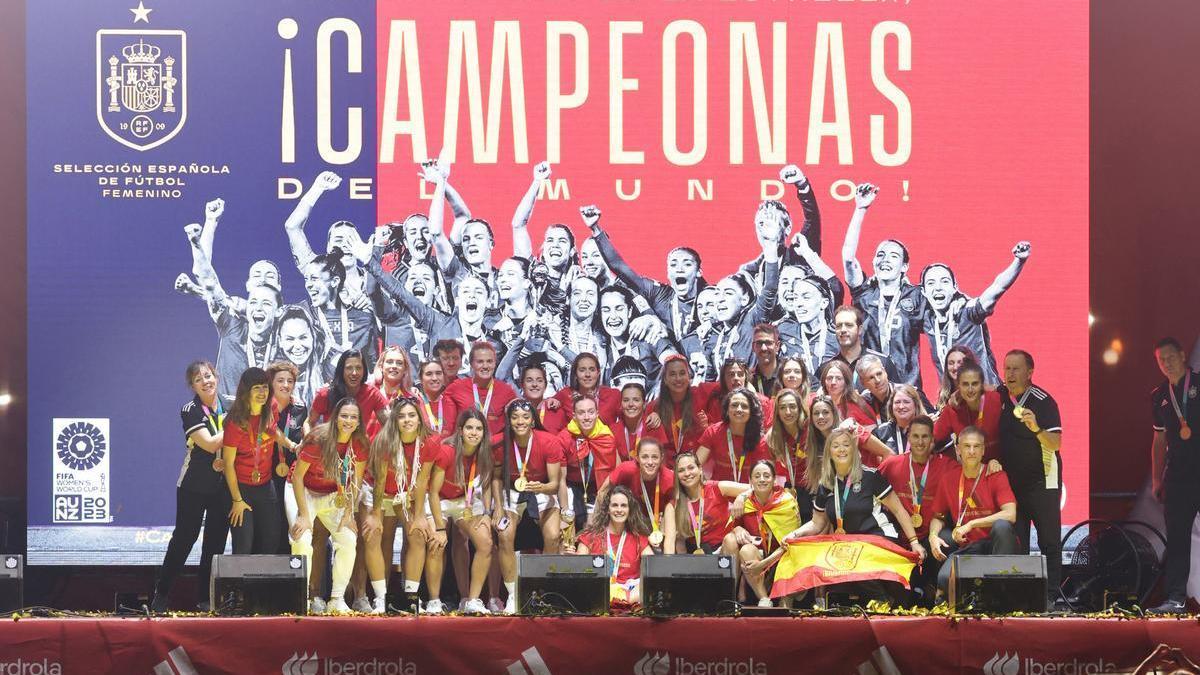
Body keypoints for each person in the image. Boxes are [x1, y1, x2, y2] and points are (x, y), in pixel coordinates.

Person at [792, 429, 925, 603]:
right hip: (852, 546)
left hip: (880, 539)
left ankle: (884, 606)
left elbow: (899, 510)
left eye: (846, 445)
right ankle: (882, 605)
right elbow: (817, 523)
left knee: (858, 565)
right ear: (829, 453)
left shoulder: (870, 476)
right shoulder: (826, 485)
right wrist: (794, 535)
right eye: (836, 446)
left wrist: (914, 542)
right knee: (838, 565)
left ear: (854, 450)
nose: (841, 449)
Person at [151, 361, 233, 613]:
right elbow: (209, 445)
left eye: (208, 376)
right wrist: (236, 422)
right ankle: (162, 594)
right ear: (193, 386)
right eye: (199, 380)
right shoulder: (190, 410)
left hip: (224, 485)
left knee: (215, 544)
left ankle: (205, 599)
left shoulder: (231, 404)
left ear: (216, 377)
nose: (206, 382)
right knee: (184, 539)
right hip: (193, 485)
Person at [362, 397, 443, 614]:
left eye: (411, 415)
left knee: (418, 534)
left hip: (407, 494)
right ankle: (381, 598)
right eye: (401, 416)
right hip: (380, 492)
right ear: (394, 420)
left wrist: (419, 516)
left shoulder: (431, 441)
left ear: (419, 418)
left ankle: (411, 597)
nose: (407, 420)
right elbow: (379, 481)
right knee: (374, 533)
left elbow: (423, 479)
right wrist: (376, 515)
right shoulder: (384, 440)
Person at [997, 349, 1065, 608]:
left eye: (1016, 369)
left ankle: (1051, 595)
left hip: (1042, 482)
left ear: (1030, 372)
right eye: (1007, 368)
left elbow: (1056, 443)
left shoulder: (1043, 401)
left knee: (1049, 540)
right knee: (1019, 543)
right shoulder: (1001, 396)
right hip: (1012, 485)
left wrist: (1036, 428)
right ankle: (1023, 595)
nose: (1010, 374)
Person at [584, 205, 709, 344]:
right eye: (673, 265)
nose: (679, 269)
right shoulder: (659, 293)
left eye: (687, 264)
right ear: (668, 272)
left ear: (698, 272)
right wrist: (595, 228)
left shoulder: (710, 298)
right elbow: (619, 266)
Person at [841, 183, 926, 388]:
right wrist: (860, 209)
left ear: (905, 266)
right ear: (873, 263)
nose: (885, 260)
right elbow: (848, 257)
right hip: (869, 387)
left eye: (894, 256)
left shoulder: (917, 296)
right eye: (880, 255)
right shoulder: (864, 294)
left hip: (908, 388)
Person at [287, 398, 368, 614]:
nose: (348, 421)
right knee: (302, 539)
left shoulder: (359, 444)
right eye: (344, 416)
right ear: (335, 418)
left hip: (333, 494)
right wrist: (304, 515)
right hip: (303, 490)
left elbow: (356, 482)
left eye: (353, 417)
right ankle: (301, 599)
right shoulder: (319, 439)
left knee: (349, 539)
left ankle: (336, 599)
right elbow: (297, 477)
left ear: (359, 422)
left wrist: (349, 512)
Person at [921, 242, 1031, 386]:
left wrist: (1019, 261)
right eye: (931, 283)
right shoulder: (926, 319)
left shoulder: (968, 313)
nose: (938, 288)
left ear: (955, 288)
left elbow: (998, 287)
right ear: (923, 292)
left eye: (945, 281)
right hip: (954, 401)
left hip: (986, 398)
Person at [491, 399, 565, 614]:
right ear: (508, 420)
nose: (520, 421)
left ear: (533, 420)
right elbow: (496, 478)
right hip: (511, 493)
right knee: (504, 535)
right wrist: (497, 507)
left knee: (552, 536)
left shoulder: (549, 441)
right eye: (514, 417)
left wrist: (540, 487)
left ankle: (542, 591)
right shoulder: (499, 443)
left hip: (540, 490)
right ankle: (514, 593)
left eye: (525, 417)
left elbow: (554, 484)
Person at [926, 427, 1018, 599]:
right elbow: (938, 516)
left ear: (983, 450)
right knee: (945, 579)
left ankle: (1000, 592)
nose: (971, 451)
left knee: (1002, 526)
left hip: (994, 546)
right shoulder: (949, 479)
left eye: (977, 447)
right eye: (967, 446)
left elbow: (1010, 514)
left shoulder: (996, 475)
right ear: (958, 449)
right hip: (969, 547)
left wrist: (971, 524)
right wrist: (932, 536)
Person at [876, 415, 956, 602]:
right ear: (908, 437)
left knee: (946, 540)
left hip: (931, 537)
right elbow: (867, 483)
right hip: (900, 537)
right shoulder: (891, 465)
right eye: (915, 436)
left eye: (925, 437)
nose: (920, 442)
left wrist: (992, 464)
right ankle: (893, 596)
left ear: (932, 440)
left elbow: (970, 471)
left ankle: (938, 590)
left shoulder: (947, 466)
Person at [1147, 338, 1200, 614]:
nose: (1166, 363)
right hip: (1178, 477)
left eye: (1170, 357)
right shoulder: (1159, 395)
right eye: (1161, 359)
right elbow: (1158, 441)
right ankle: (1176, 599)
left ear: (1182, 355)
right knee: (1177, 538)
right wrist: (1157, 479)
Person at [222, 368, 297, 556]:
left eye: (265, 387)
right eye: (257, 388)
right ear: (246, 391)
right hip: (241, 489)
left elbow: (273, 430)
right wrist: (237, 500)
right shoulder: (235, 422)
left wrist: (291, 445)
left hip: (265, 486)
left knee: (272, 540)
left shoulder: (270, 408)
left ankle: (263, 586)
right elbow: (228, 464)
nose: (262, 393)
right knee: (244, 546)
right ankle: (238, 586)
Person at [431, 409, 495, 614]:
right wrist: (440, 527)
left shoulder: (484, 452)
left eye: (479, 429)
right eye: (469, 428)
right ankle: (433, 601)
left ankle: (472, 601)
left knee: (485, 543)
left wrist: (486, 513)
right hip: (438, 499)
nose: (474, 433)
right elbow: (432, 491)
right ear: (460, 430)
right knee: (436, 541)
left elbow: (486, 485)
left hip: (463, 501)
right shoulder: (447, 450)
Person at [731, 460, 803, 607]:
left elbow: (790, 544)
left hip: (782, 558)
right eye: (757, 476)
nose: (762, 479)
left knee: (785, 606)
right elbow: (734, 525)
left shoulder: (786, 502)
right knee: (745, 549)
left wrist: (763, 564)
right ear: (750, 481)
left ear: (774, 479)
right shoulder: (745, 503)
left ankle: (785, 599)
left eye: (766, 475)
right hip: (757, 563)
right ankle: (764, 599)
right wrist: (737, 528)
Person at [569, 486, 654, 607]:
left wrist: (631, 595)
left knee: (646, 587)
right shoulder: (590, 537)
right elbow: (579, 570)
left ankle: (621, 600)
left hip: (631, 595)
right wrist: (570, 560)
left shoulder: (639, 538)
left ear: (629, 509)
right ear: (607, 509)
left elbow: (653, 569)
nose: (619, 510)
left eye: (623, 505)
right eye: (614, 505)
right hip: (599, 591)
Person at [663, 452, 749, 555]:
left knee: (731, 540)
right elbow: (669, 543)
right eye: (681, 470)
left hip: (725, 549)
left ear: (700, 469)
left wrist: (741, 497)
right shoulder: (673, 506)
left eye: (691, 468)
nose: (687, 473)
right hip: (696, 555)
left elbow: (755, 489)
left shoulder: (717, 488)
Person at [558, 394, 620, 534]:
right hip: (571, 486)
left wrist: (601, 499)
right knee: (566, 528)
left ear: (597, 413)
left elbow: (615, 474)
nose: (587, 417)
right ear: (574, 416)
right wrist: (565, 511)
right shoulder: (564, 438)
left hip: (599, 487)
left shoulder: (606, 436)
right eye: (581, 413)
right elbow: (560, 479)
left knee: (592, 527)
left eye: (591, 412)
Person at [600, 438, 676, 549]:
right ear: (637, 458)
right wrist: (599, 525)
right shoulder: (626, 470)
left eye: (654, 457)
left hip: (656, 526)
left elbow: (672, 511)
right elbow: (602, 493)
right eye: (645, 457)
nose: (650, 462)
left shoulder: (670, 479)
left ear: (661, 458)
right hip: (628, 521)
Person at [267, 362, 310, 555]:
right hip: (266, 472)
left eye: (290, 381)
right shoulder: (263, 407)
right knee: (271, 523)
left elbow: (306, 435)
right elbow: (271, 431)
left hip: (292, 475)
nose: (285, 385)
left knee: (289, 522)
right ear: (271, 383)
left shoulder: (300, 408)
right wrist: (292, 445)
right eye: (280, 380)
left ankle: (291, 573)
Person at [777, 272, 840, 388]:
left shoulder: (837, 337)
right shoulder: (782, 331)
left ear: (824, 303)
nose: (799, 304)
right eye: (795, 298)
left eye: (806, 297)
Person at [695, 388, 772, 482]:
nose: (739, 409)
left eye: (744, 406)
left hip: (749, 493)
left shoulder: (760, 440)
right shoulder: (713, 431)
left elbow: (766, 479)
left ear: (751, 412)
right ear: (727, 409)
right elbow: (695, 466)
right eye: (734, 405)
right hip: (718, 492)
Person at [443, 341, 519, 436]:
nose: (485, 366)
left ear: (495, 363)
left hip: (495, 449)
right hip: (466, 449)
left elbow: (517, 425)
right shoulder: (456, 388)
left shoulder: (507, 391)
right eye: (480, 362)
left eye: (489, 361)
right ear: (471, 363)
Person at [934, 362, 1005, 463]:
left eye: (975, 384)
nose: (970, 390)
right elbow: (933, 437)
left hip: (1003, 467)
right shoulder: (953, 409)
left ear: (982, 385)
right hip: (973, 471)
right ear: (958, 386)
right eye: (965, 384)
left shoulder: (997, 400)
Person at [309, 350, 389, 433]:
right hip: (331, 444)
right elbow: (309, 422)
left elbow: (389, 424)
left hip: (359, 444)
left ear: (364, 371)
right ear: (341, 370)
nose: (354, 373)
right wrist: (311, 441)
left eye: (358, 368)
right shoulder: (325, 394)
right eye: (349, 368)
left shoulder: (372, 393)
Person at [647, 356, 710, 460]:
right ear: (665, 380)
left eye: (682, 373)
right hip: (667, 468)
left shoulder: (700, 393)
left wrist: (707, 427)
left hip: (696, 465)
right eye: (672, 374)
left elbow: (725, 386)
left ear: (689, 377)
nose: (678, 378)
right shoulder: (654, 407)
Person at [764, 388, 811, 520]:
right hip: (793, 488)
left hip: (815, 487)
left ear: (800, 408)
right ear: (777, 412)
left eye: (792, 406)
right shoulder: (773, 436)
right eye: (783, 407)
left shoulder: (811, 428)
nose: (788, 412)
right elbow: (770, 470)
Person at [830, 305, 898, 390]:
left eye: (849, 325)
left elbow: (896, 397)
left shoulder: (882, 362)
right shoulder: (827, 367)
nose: (843, 330)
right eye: (839, 326)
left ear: (860, 329)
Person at [273, 305, 326, 407]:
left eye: (303, 337)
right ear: (280, 341)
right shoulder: (272, 375)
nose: (297, 346)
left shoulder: (328, 368)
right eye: (290, 339)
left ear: (313, 336)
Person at [552, 352, 622, 425]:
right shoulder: (565, 394)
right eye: (582, 370)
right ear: (575, 374)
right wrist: (551, 401)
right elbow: (543, 407)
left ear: (598, 373)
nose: (587, 374)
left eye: (592, 370)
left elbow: (627, 421)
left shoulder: (613, 395)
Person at [610, 381, 668, 465]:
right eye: (626, 400)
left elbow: (662, 464)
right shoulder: (613, 431)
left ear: (644, 404)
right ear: (621, 404)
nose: (630, 404)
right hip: (623, 476)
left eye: (636, 400)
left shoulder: (653, 426)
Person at [870, 384, 927, 454]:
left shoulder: (926, 430)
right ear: (891, 406)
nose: (901, 406)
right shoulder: (880, 433)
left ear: (916, 405)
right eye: (897, 402)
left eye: (906, 402)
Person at [518, 362, 569, 433]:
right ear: (522, 385)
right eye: (529, 380)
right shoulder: (515, 413)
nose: (534, 384)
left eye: (539, 381)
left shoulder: (557, 411)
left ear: (545, 385)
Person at [935, 345, 980, 409]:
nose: (955, 367)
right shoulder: (944, 394)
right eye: (951, 363)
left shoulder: (979, 392)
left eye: (960, 363)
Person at [415, 359, 449, 435]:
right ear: (420, 378)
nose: (434, 378)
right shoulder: (414, 402)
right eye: (429, 374)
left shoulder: (452, 403)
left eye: (438, 373)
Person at [749, 323, 782, 398]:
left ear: (777, 346)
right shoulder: (748, 379)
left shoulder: (789, 374)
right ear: (753, 347)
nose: (763, 348)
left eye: (768, 343)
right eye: (759, 343)